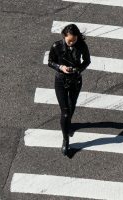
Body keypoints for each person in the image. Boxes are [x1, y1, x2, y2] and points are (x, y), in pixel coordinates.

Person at [48, 24, 91, 156]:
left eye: (74, 40)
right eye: (69, 41)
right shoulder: (56, 46)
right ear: (64, 37)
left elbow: (87, 61)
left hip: (75, 80)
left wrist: (78, 69)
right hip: (60, 80)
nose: (72, 43)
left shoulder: (82, 45)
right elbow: (50, 61)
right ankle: (66, 140)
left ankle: (68, 124)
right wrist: (61, 67)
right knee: (65, 112)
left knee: (71, 107)